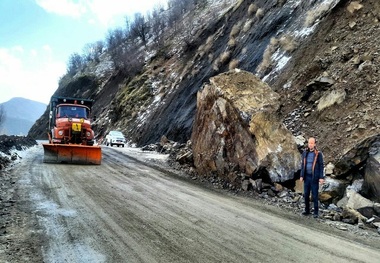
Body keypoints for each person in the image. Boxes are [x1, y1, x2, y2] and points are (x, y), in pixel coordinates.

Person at [300, 137, 325, 218]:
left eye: (312, 143)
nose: (310, 145)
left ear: (314, 144)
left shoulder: (318, 154)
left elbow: (321, 166)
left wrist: (321, 177)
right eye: (309, 143)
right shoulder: (305, 153)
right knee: (306, 194)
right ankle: (307, 210)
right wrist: (301, 175)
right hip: (306, 177)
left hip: (314, 177)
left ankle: (316, 212)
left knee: (315, 195)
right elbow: (303, 165)